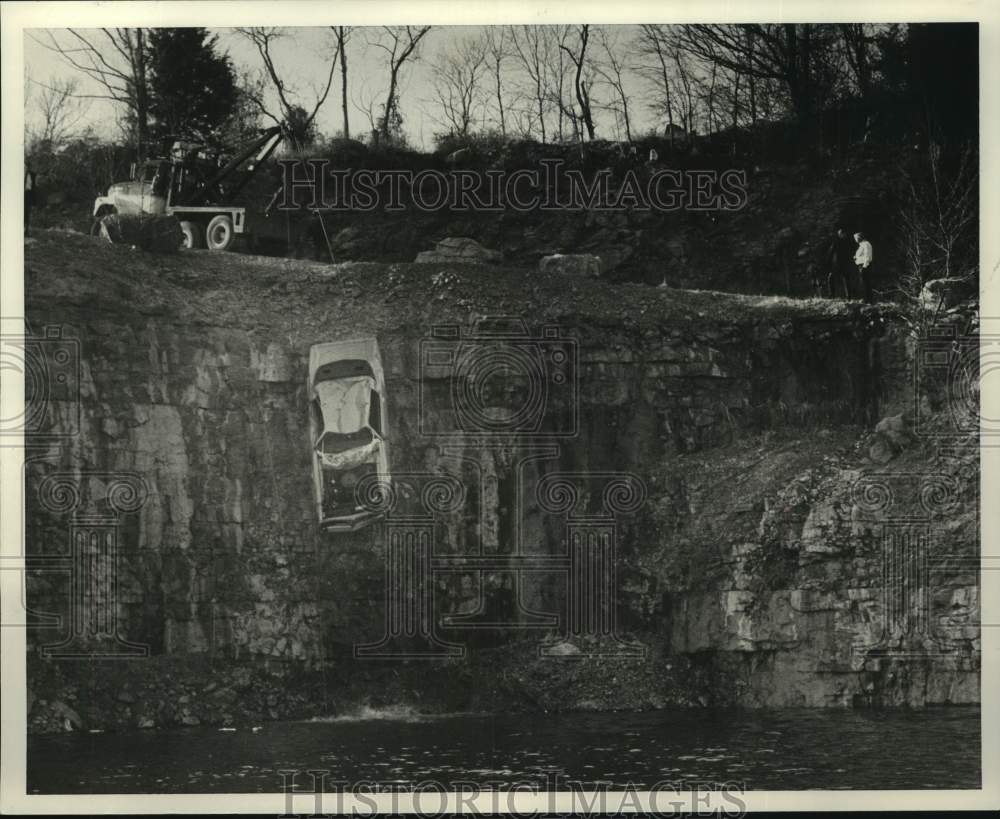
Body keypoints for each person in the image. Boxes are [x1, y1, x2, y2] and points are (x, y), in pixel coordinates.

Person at [826, 227, 855, 298]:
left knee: (841, 279)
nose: (842, 235)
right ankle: (846, 296)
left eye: (842, 234)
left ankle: (834, 295)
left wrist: (828, 262)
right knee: (841, 279)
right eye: (841, 234)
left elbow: (830, 253)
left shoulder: (837, 242)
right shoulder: (847, 242)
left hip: (839, 264)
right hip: (840, 264)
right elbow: (830, 253)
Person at [853, 231, 874, 303]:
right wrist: (856, 257)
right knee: (863, 282)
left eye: (855, 238)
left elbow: (867, 256)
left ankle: (868, 300)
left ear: (859, 238)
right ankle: (866, 299)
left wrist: (865, 266)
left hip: (864, 266)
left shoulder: (866, 244)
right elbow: (861, 255)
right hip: (861, 265)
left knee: (865, 283)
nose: (855, 240)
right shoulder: (862, 245)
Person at [24, 163, 37, 237]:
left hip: (28, 195)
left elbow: (34, 187)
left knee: (28, 212)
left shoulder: (32, 174)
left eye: (26, 167)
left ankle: (27, 230)